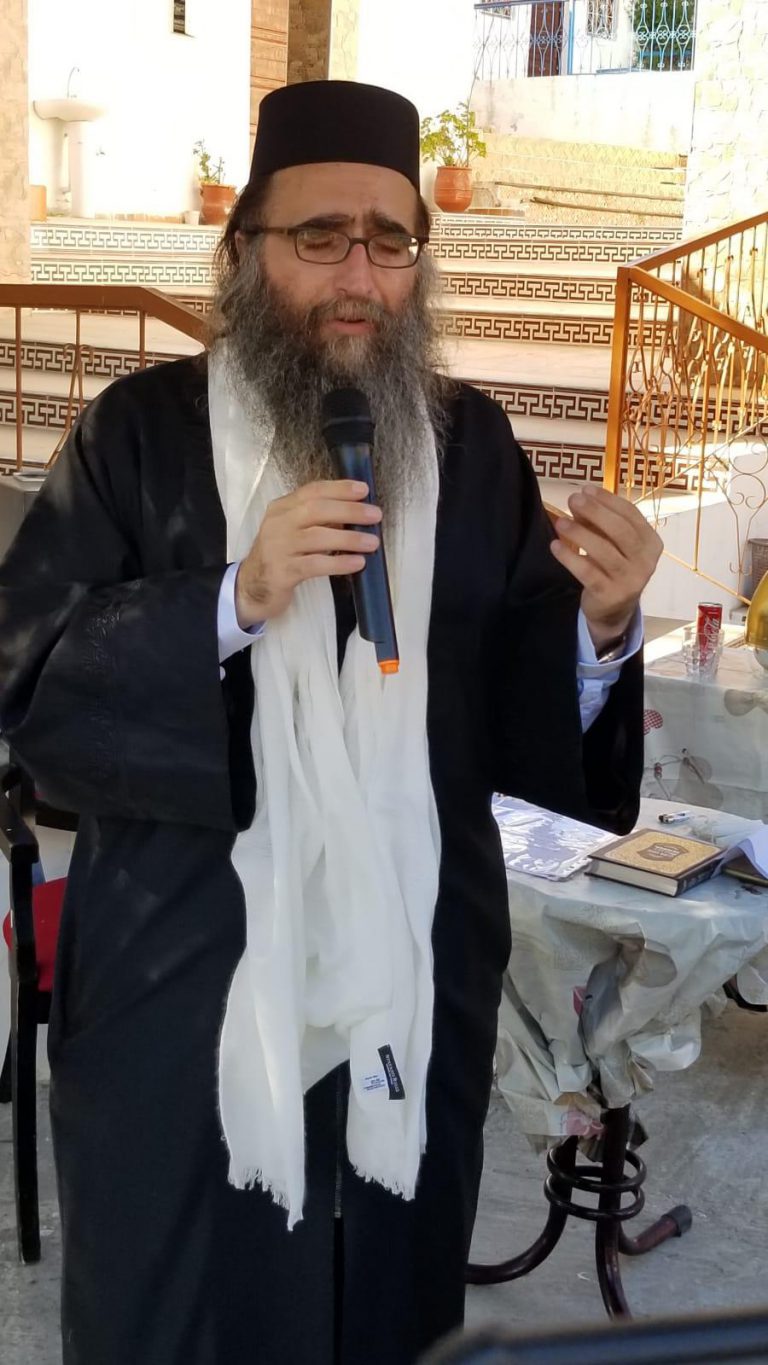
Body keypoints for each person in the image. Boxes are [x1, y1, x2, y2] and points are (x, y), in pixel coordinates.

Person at [0, 80, 661, 1365]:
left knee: (384, 1313)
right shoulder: (135, 437)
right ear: (244, 250)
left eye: (390, 239)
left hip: (415, 978)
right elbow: (28, 682)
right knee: (183, 1317)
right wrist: (232, 600)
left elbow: (517, 706)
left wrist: (602, 628)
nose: (359, 275)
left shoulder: (473, 448)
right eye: (319, 237)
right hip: (184, 986)